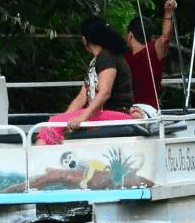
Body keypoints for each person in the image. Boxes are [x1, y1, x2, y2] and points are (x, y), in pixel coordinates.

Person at [36, 17, 134, 145]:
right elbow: (82, 97)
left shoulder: (106, 57)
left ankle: (36, 161)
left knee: (50, 126)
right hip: (106, 114)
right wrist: (63, 120)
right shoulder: (99, 60)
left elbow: (105, 92)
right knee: (56, 123)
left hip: (115, 114)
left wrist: (83, 117)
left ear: (85, 39)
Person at [125, 0, 177, 110]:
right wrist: (168, 13)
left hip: (145, 110)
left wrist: (168, 13)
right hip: (132, 109)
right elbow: (165, 38)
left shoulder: (152, 51)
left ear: (130, 35)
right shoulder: (127, 56)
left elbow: (165, 38)